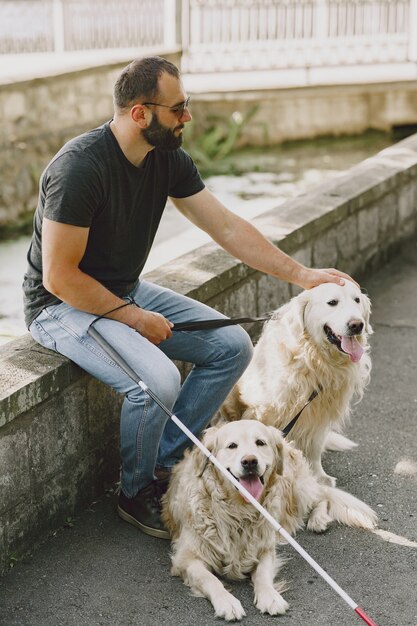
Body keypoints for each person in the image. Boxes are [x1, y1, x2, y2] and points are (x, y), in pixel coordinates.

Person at [23, 56, 355, 540]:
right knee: (155, 379)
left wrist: (301, 274)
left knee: (232, 346)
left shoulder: (166, 159)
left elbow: (225, 226)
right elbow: (59, 277)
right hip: (59, 308)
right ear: (140, 114)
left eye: (187, 105)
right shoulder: (80, 168)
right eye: (178, 108)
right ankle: (135, 492)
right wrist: (136, 318)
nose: (188, 118)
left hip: (121, 289)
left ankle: (165, 462)